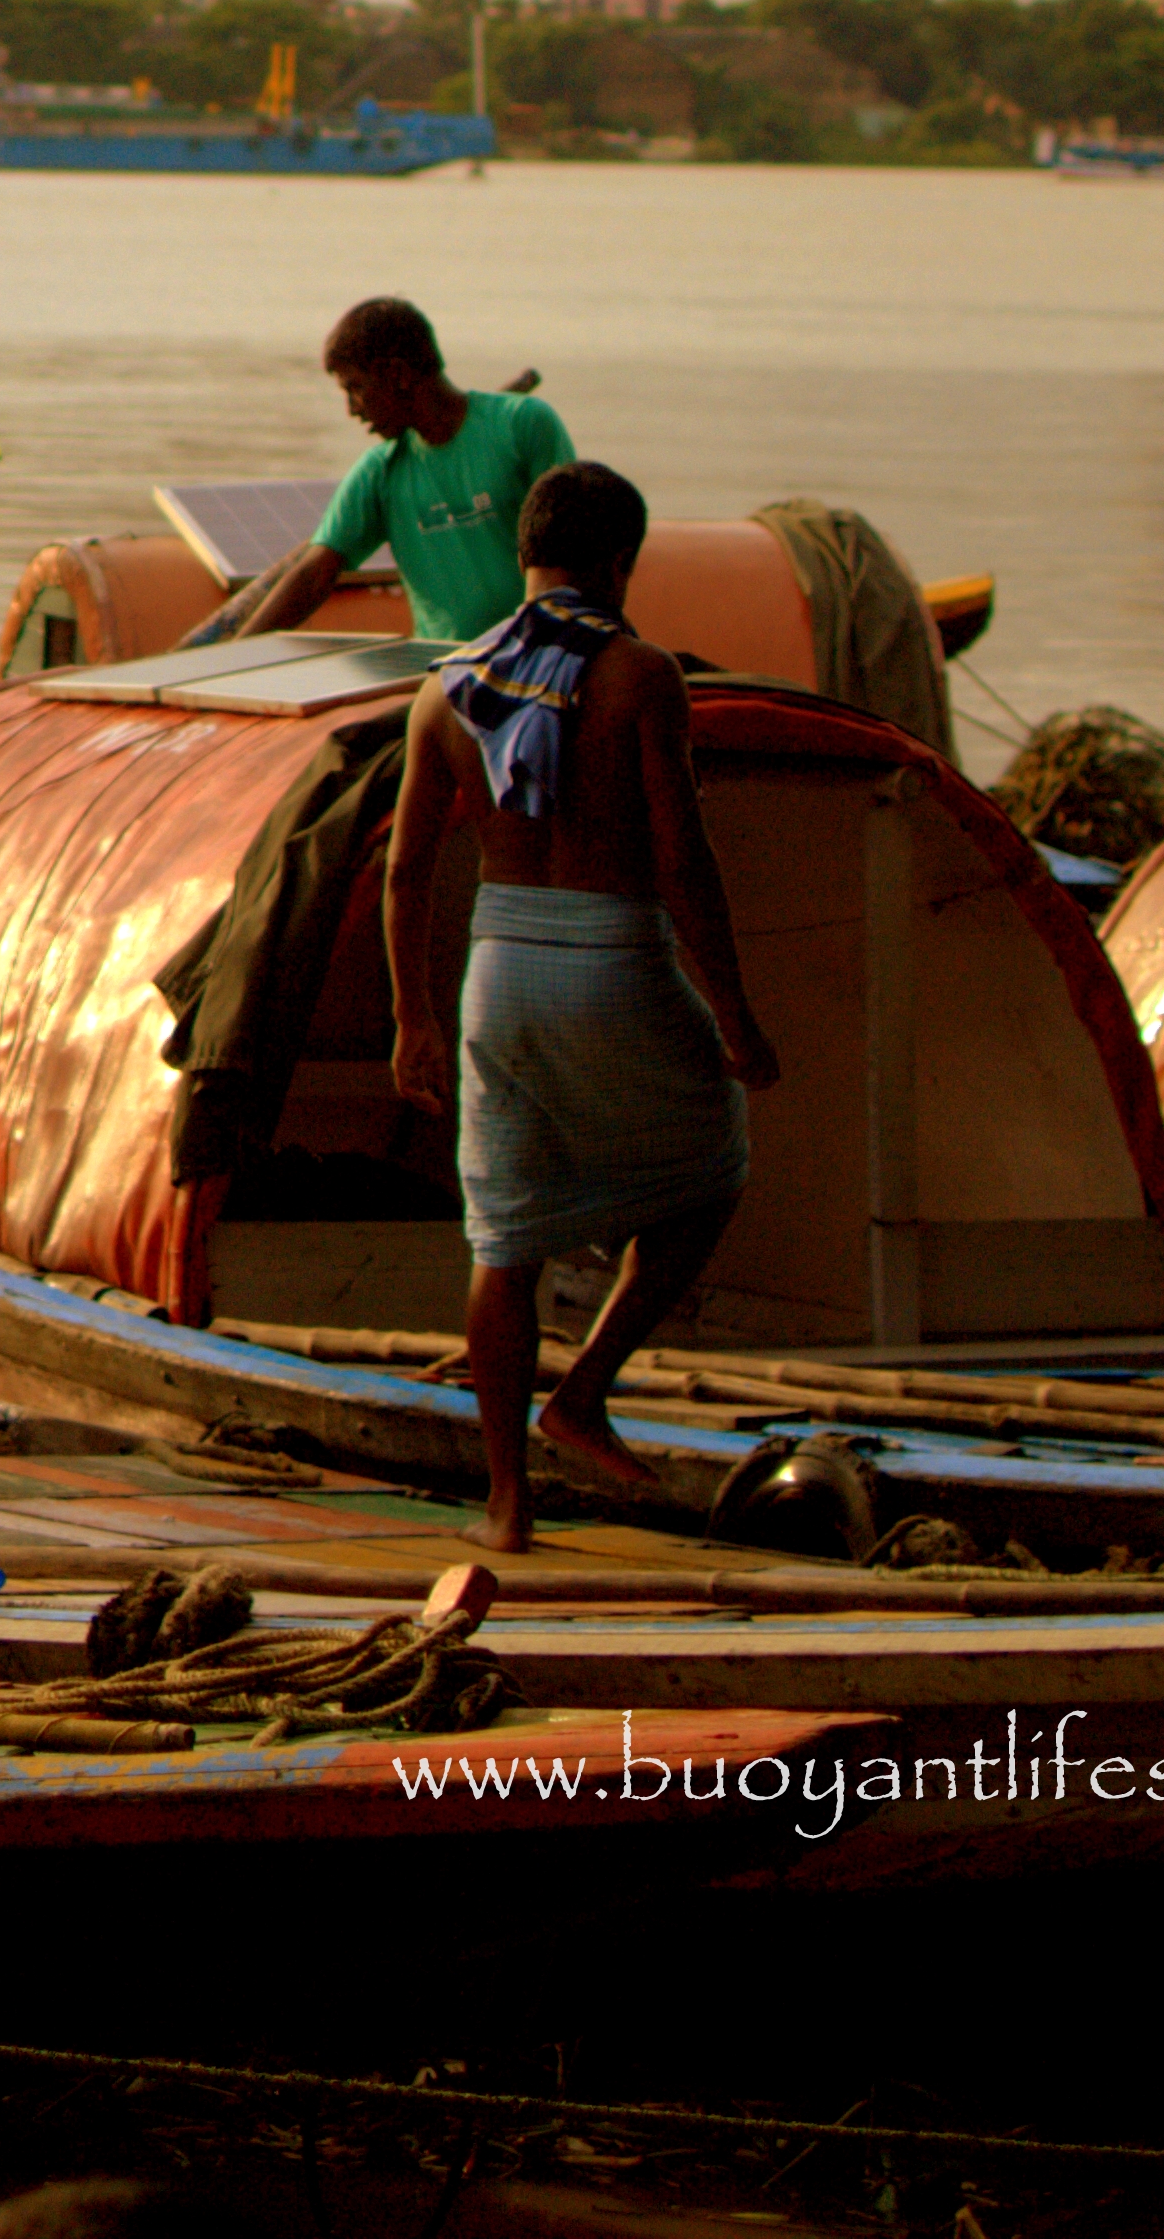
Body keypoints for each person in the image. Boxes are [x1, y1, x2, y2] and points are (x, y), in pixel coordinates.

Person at [380, 459, 782, 1551]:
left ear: (522, 555)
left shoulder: (443, 683)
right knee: (707, 1172)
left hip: (496, 969)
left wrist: (412, 1017)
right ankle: (584, 1388)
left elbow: (406, 870)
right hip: (613, 955)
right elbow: (681, 854)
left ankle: (506, 1504)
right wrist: (735, 1014)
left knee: (502, 1239)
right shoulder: (639, 673)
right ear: (621, 562)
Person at [227, 297, 577, 646]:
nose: (351, 409)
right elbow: (313, 574)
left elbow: (571, 551)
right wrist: (234, 657)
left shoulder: (523, 425)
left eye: (356, 388)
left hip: (540, 655)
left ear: (398, 375)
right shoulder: (379, 472)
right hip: (446, 673)